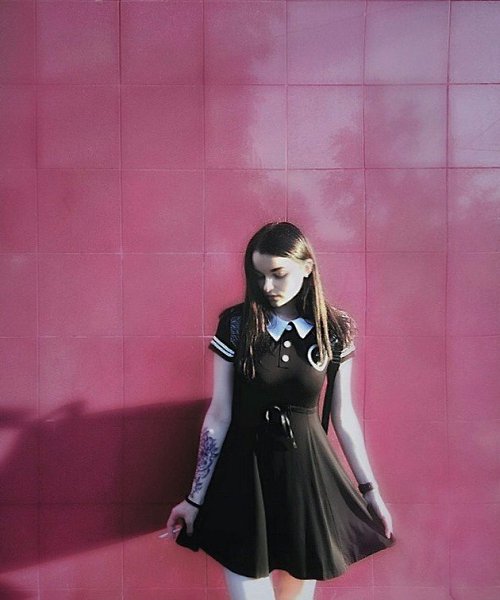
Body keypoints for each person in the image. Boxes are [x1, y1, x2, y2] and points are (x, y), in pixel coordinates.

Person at [166, 221, 396, 600]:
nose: (268, 286)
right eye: (259, 276)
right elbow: (219, 415)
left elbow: (344, 418)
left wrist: (370, 491)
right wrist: (194, 498)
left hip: (307, 481)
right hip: (244, 478)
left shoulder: (333, 329)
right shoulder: (236, 325)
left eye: (278, 274)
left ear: (307, 267)